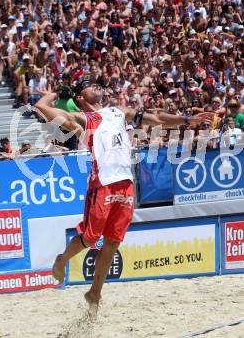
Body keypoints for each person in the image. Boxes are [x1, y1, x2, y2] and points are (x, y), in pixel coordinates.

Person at [35, 79, 213, 319]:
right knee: (90, 236)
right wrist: (53, 93)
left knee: (112, 242)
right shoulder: (81, 120)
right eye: (88, 84)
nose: (96, 86)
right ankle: (61, 260)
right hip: (103, 184)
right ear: (79, 97)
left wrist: (185, 120)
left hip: (125, 183)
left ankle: (94, 294)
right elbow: (41, 107)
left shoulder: (118, 112)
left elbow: (156, 118)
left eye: (97, 83)